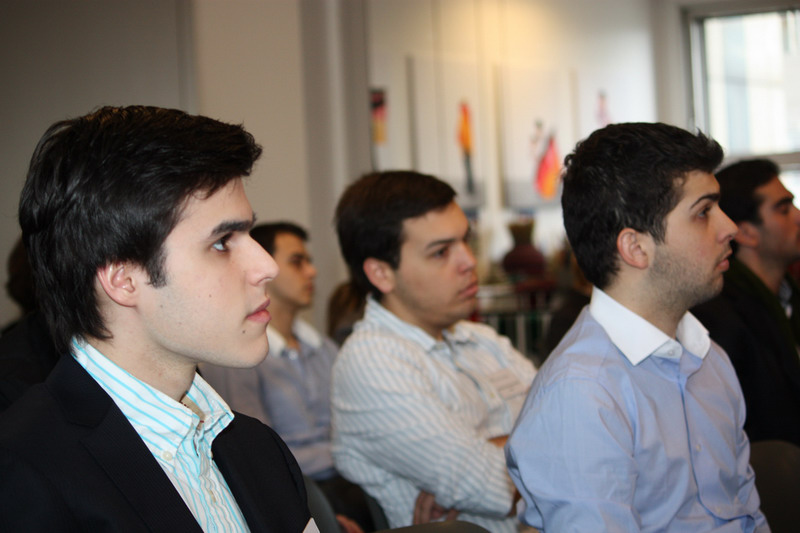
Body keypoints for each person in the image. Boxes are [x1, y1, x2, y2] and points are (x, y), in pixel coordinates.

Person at [0, 106, 315, 532]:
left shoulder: (256, 448)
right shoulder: (25, 472)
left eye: (250, 235)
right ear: (124, 279)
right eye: (222, 242)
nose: (266, 266)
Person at [506, 122, 767, 531]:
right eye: (703, 212)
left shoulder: (708, 357)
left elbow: (748, 516)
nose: (729, 227)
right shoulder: (583, 393)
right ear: (636, 248)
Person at [331, 170, 537, 532]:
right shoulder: (372, 360)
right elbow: (498, 487)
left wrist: (494, 446)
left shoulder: (480, 338)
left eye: (465, 241)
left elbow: (577, 425)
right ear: (381, 273)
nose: (468, 261)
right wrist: (545, 443)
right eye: (441, 252)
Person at [202, 222, 370, 533]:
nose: (312, 272)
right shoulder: (240, 357)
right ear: (263, 268)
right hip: (300, 489)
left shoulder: (324, 348)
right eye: (297, 262)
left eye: (309, 262)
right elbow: (256, 457)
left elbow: (360, 428)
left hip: (351, 477)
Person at [692, 159, 800, 447]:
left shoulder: (789, 296)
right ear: (747, 233)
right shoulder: (720, 318)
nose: (798, 217)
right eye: (784, 209)